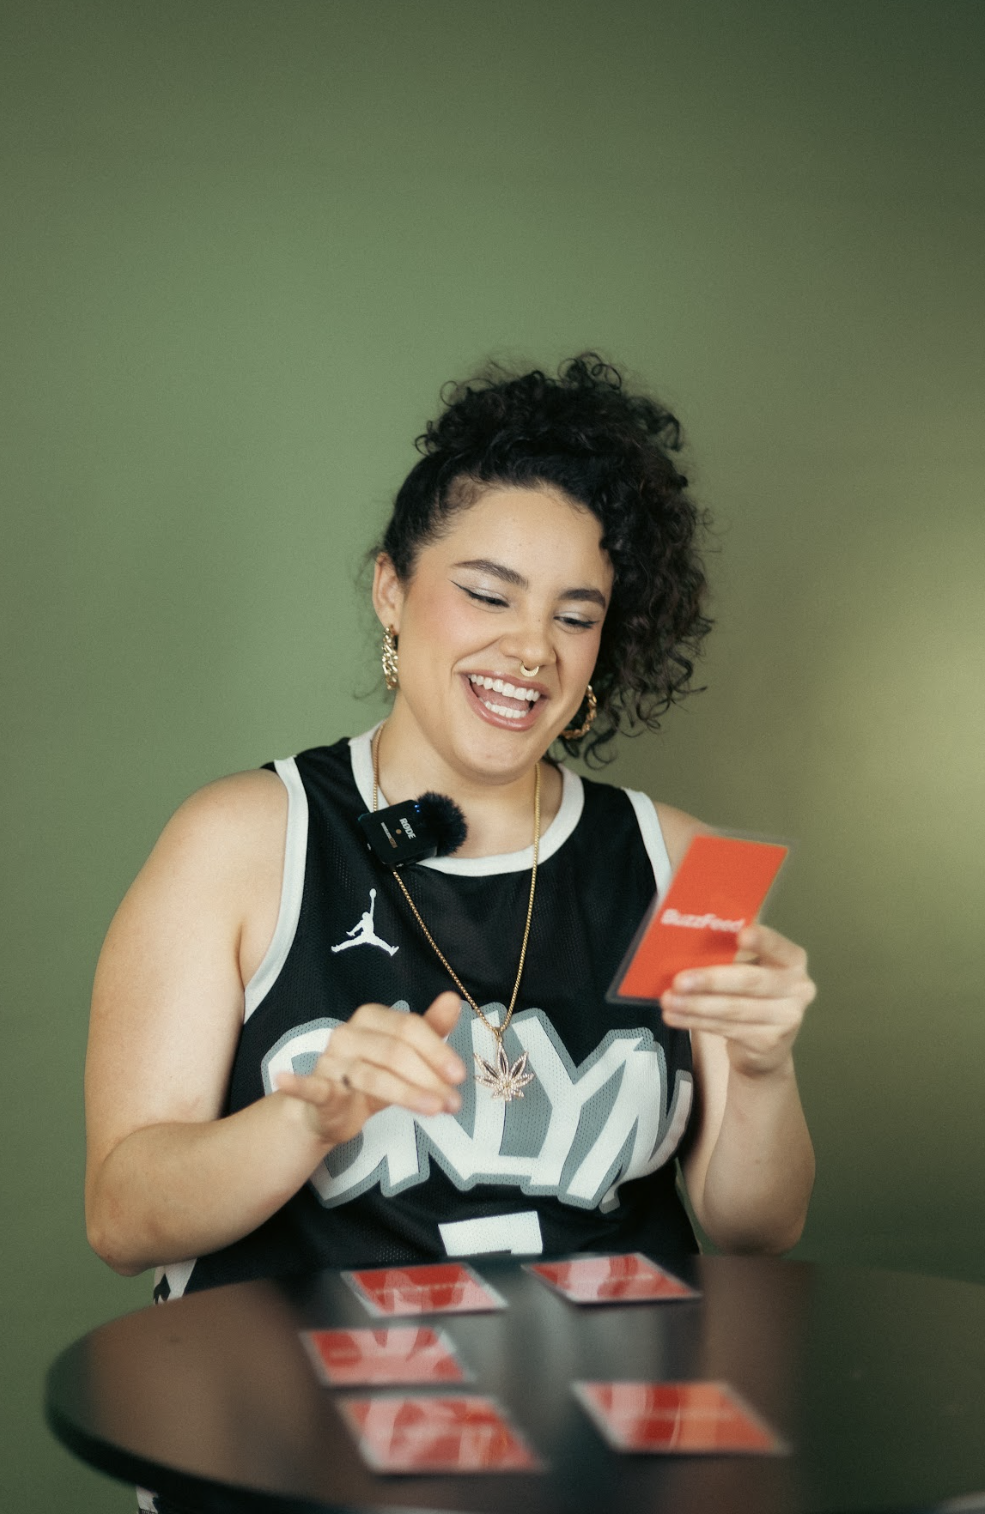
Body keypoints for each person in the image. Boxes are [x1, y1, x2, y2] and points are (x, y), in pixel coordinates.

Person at [85, 355, 815, 1312]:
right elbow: (121, 1218)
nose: (530, 649)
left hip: (610, 1425)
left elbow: (758, 1228)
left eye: (575, 615)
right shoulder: (239, 837)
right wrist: (303, 1123)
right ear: (392, 590)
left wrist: (763, 1067)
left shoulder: (690, 863)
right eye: (487, 592)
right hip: (290, 1429)